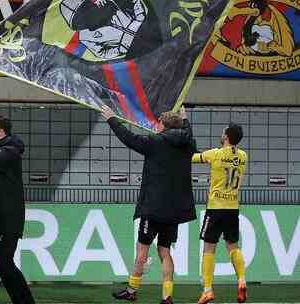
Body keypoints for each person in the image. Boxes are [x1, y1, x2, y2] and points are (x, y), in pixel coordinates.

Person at [101, 106, 197, 304]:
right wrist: (185, 119)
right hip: (175, 210)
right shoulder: (188, 144)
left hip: (153, 207)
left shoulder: (155, 142)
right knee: (165, 251)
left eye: (159, 123)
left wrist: (112, 119)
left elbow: (129, 139)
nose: (157, 126)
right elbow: (188, 134)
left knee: (142, 249)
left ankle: (132, 290)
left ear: (163, 125)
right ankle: (167, 296)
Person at [194, 123, 248, 304]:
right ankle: (241, 280)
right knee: (233, 246)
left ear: (226, 136)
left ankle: (207, 290)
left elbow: (192, 158)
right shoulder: (243, 156)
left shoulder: (215, 154)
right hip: (233, 207)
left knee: (209, 249)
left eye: (223, 131)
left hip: (216, 207)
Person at [0, 116, 34, 304]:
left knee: (3, 262)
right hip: (0, 217)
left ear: (0, 131)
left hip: (7, 219)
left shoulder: (9, 151)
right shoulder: (3, 148)